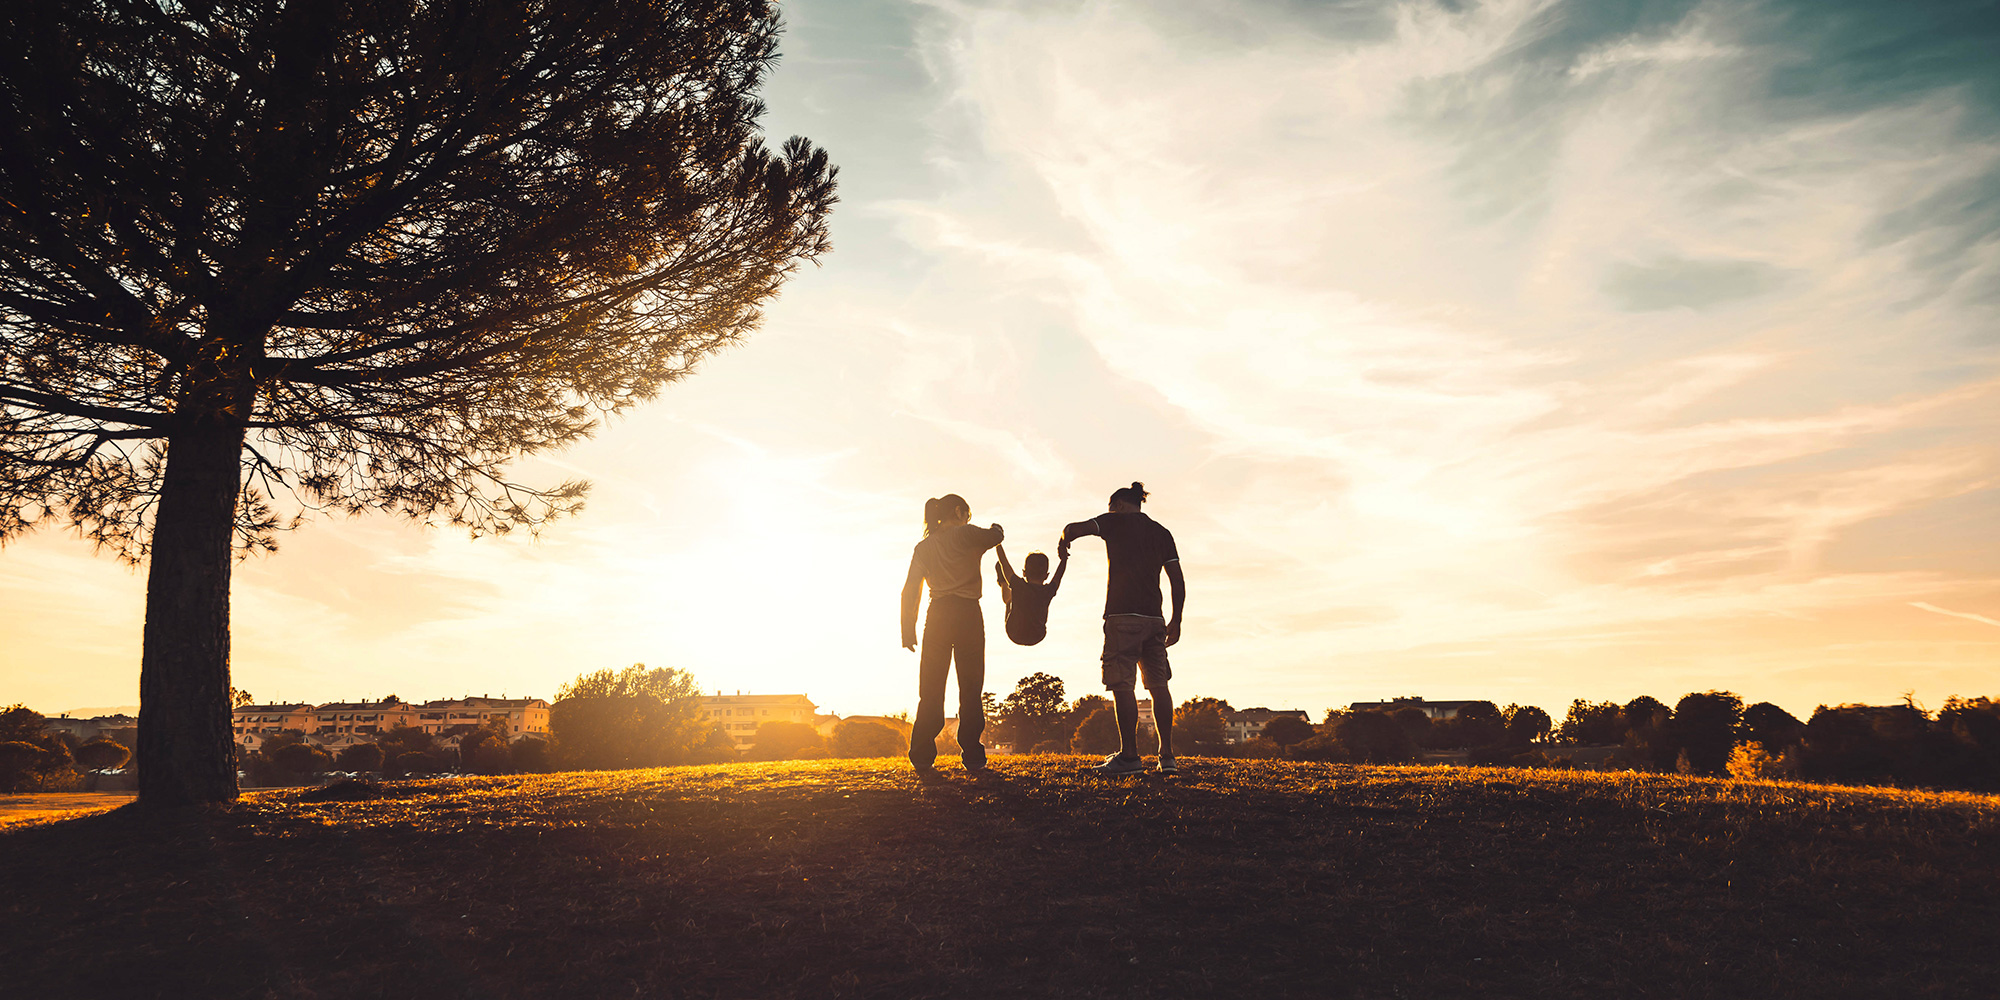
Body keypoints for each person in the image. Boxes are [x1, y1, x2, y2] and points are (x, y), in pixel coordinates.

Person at [1060, 481, 1185, 775]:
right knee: (1159, 686)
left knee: (1122, 685)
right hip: (1155, 619)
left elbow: (1073, 528)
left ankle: (1129, 757)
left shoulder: (1114, 521)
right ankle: (1167, 756)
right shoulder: (1161, 532)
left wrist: (1063, 541)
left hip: (1121, 617)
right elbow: (1177, 579)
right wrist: (1176, 618)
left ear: (1116, 505)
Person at [900, 494, 1003, 775]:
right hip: (968, 613)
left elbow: (911, 588)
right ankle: (972, 754)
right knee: (971, 688)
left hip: (937, 616)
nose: (968, 518)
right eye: (966, 513)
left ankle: (921, 755)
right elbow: (996, 536)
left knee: (930, 688)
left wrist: (907, 629)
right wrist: (997, 527)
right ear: (958, 511)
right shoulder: (968, 534)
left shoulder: (924, 547)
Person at [993, 544, 1067, 646]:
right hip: (1037, 635)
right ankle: (1005, 582)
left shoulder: (1019, 586)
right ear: (1046, 576)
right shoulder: (1048, 591)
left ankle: (1003, 582)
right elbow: (1059, 575)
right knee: (1013, 592)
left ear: (1024, 573)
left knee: (1009, 599)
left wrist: (998, 543)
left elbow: (1004, 563)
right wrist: (1064, 558)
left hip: (1014, 633)